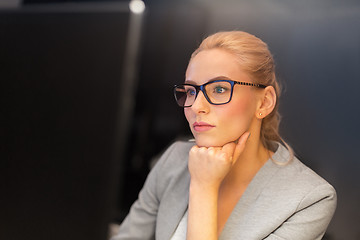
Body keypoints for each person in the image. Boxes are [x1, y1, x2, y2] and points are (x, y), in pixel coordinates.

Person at [111, 31, 337, 240]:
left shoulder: (310, 198)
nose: (197, 106)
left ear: (264, 102)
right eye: (191, 91)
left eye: (219, 89)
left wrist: (203, 186)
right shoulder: (174, 159)